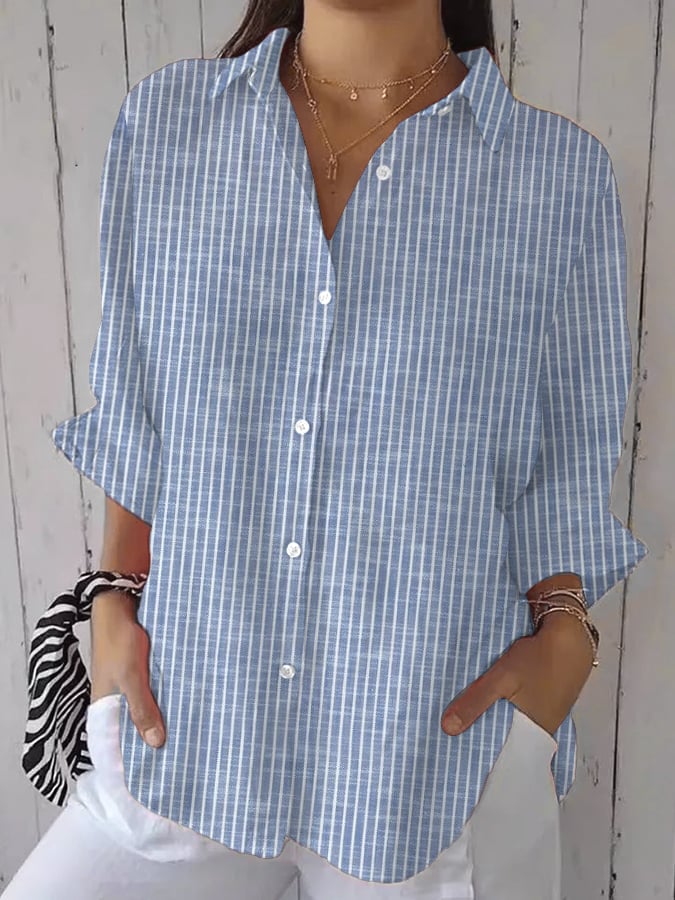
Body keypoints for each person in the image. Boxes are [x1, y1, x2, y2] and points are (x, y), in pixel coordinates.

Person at [6, 0, 649, 897]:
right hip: (186, 733)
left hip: (426, 772)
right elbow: (140, 413)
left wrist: (562, 646)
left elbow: (564, 474)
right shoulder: (171, 125)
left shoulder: (555, 178)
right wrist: (113, 601)